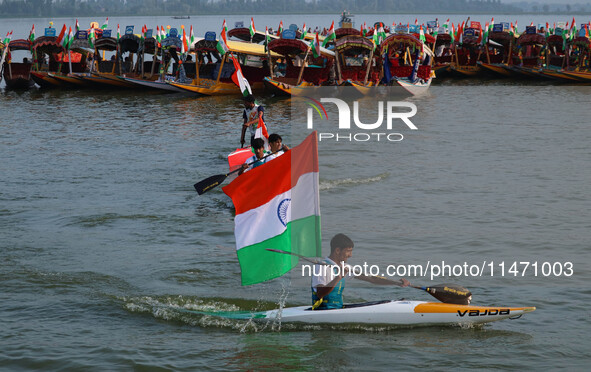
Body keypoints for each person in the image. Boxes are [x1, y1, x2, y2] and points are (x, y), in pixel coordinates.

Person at [311, 233, 410, 310]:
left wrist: (397, 283)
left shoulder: (345, 267)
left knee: (383, 302)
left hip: (337, 309)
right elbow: (320, 293)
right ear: (337, 250)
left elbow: (372, 279)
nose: (350, 255)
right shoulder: (322, 267)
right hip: (322, 310)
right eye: (348, 251)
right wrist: (338, 277)